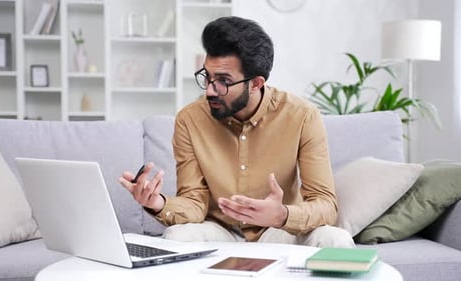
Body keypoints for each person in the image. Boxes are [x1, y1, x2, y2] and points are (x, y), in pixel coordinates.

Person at [119, 16, 354, 248]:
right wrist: (158, 203)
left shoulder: (303, 116)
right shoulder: (189, 119)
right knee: (176, 236)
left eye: (223, 81)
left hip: (277, 230)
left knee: (336, 239)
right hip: (220, 231)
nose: (210, 91)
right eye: (207, 77)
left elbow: (325, 205)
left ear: (256, 84)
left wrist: (281, 215)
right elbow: (194, 201)